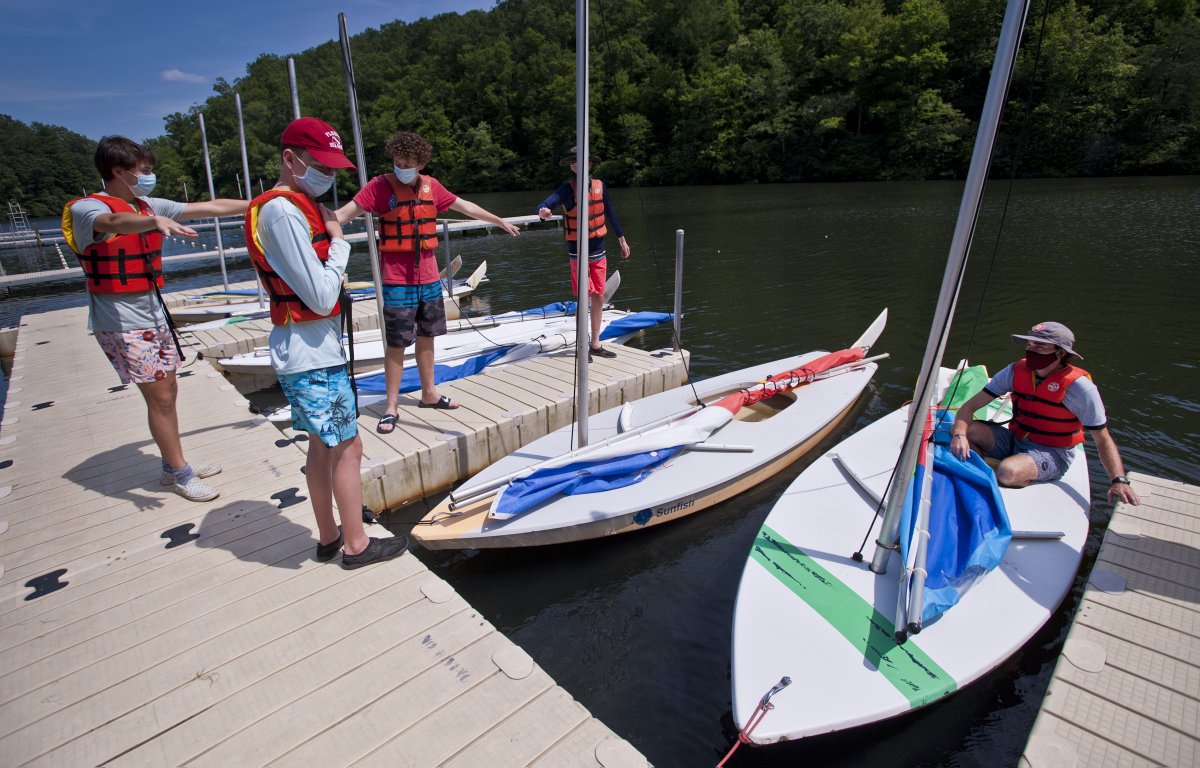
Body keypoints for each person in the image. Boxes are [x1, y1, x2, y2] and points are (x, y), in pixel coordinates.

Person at [246, 116, 407, 568]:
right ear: (290, 159)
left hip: (308, 348)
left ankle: (329, 534)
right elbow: (318, 295)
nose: (329, 177)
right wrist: (340, 245)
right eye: (321, 166)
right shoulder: (281, 210)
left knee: (322, 444)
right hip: (309, 351)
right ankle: (356, 545)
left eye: (335, 170)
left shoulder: (294, 206)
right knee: (347, 446)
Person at [62, 136, 246, 502]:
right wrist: (153, 220)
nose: (151, 176)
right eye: (144, 171)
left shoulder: (149, 205)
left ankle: (170, 465)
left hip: (154, 315)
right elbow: (114, 221)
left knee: (169, 393)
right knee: (160, 398)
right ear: (118, 171)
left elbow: (210, 206)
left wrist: (267, 201)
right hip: (121, 321)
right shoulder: (87, 209)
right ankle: (180, 473)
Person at [335, 130, 520, 434]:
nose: (401, 166)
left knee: (427, 336)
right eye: (397, 161)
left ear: (420, 163)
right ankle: (391, 406)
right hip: (397, 280)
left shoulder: (431, 186)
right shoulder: (379, 187)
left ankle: (429, 394)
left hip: (430, 278)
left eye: (407, 162)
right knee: (396, 343)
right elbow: (342, 214)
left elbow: (465, 206)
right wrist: (315, 226)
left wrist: (499, 220)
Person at [949, 321, 1140, 506]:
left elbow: (1102, 438)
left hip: (1052, 452)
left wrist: (1118, 480)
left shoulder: (1081, 389)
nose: (1032, 350)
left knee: (1008, 471)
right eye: (1029, 344)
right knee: (967, 430)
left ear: (1061, 352)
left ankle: (1004, 469)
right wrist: (959, 435)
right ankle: (989, 465)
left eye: (1040, 346)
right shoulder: (1015, 371)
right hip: (1015, 440)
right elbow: (969, 406)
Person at [536, 147, 631, 361]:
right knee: (583, 297)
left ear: (589, 164)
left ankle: (595, 344)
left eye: (585, 161)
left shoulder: (600, 186)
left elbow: (610, 212)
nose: (580, 165)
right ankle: (582, 344)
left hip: (599, 250)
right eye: (576, 162)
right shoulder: (567, 189)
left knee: (598, 295)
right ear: (572, 166)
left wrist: (622, 239)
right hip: (578, 253)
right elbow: (545, 204)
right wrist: (543, 212)